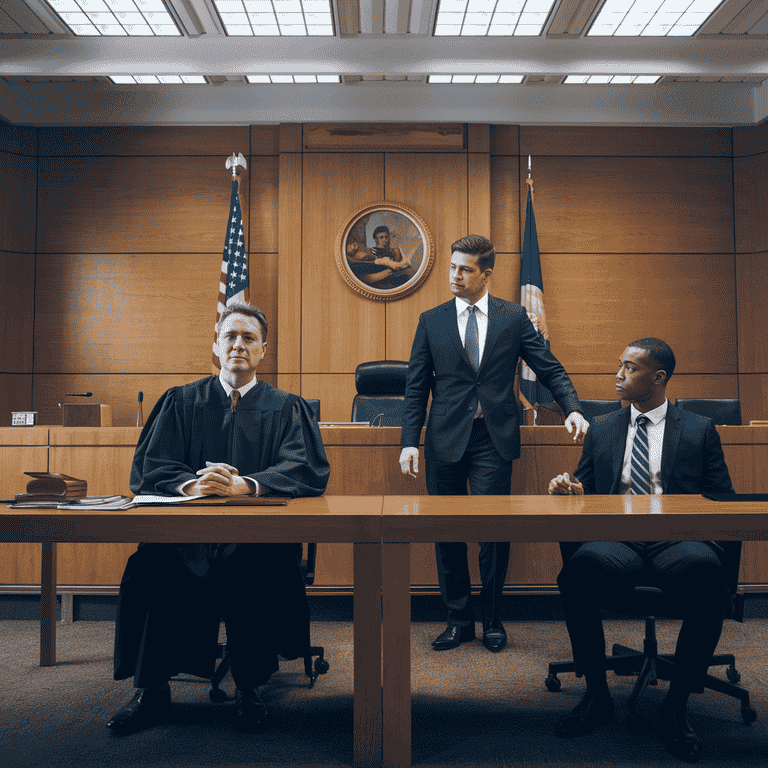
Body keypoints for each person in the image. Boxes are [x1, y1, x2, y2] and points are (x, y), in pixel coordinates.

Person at [107, 302, 330, 736]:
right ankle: (151, 689)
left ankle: (249, 689)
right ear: (216, 345)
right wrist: (195, 486)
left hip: (255, 541)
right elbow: (150, 466)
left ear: (263, 350)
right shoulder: (180, 400)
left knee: (256, 568)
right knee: (152, 565)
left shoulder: (288, 408)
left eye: (249, 338)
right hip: (183, 541)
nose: (239, 346)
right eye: (230, 337)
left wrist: (244, 485)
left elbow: (306, 469)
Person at [399, 234, 588, 653]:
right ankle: (458, 620)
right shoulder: (431, 320)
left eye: (464, 269)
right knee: (447, 533)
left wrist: (571, 407)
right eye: (452, 267)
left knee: (492, 533)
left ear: (486, 274)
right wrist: (409, 441)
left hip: (493, 439)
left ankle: (492, 618)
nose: (454, 276)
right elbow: (416, 388)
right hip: (444, 439)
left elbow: (550, 369)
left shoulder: (513, 317)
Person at [548, 338, 734, 763]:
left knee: (708, 575)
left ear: (658, 377)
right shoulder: (603, 427)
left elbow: (723, 498)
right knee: (576, 575)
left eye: (630, 368)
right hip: (620, 540)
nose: (618, 374)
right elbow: (588, 491)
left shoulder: (699, 429)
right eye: (620, 365)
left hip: (678, 540)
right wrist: (573, 490)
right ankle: (597, 697)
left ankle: (676, 707)